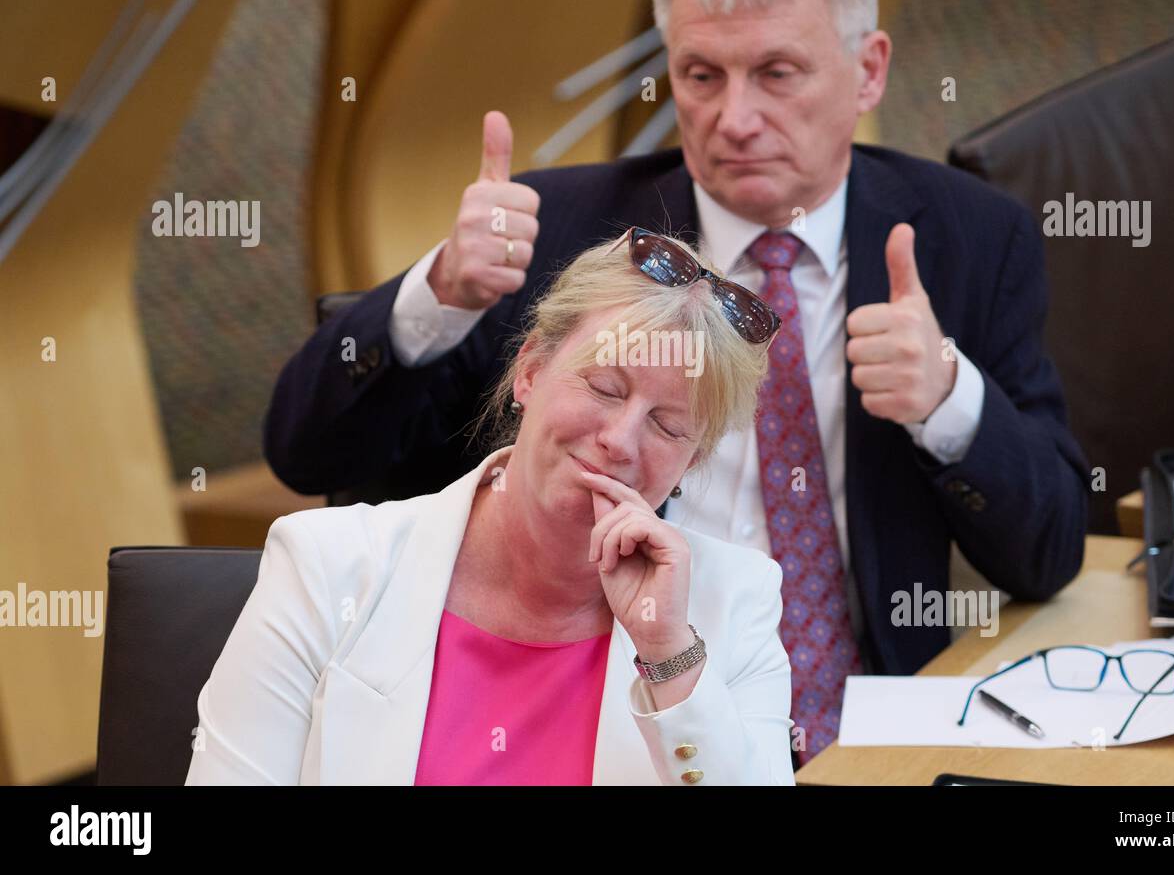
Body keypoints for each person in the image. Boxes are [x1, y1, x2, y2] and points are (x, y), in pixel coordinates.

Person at [264, 0, 1088, 762]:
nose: (734, 119)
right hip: (605, 719)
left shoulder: (969, 239)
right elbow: (305, 453)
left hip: (872, 737)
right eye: (701, 75)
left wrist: (950, 401)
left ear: (868, 69)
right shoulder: (560, 238)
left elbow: (1051, 554)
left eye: (777, 73)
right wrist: (434, 296)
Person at [188, 231, 795, 785]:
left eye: (667, 427)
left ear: (691, 462)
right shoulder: (326, 565)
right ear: (528, 371)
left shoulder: (734, 601)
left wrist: (668, 658)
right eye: (605, 388)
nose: (620, 439)